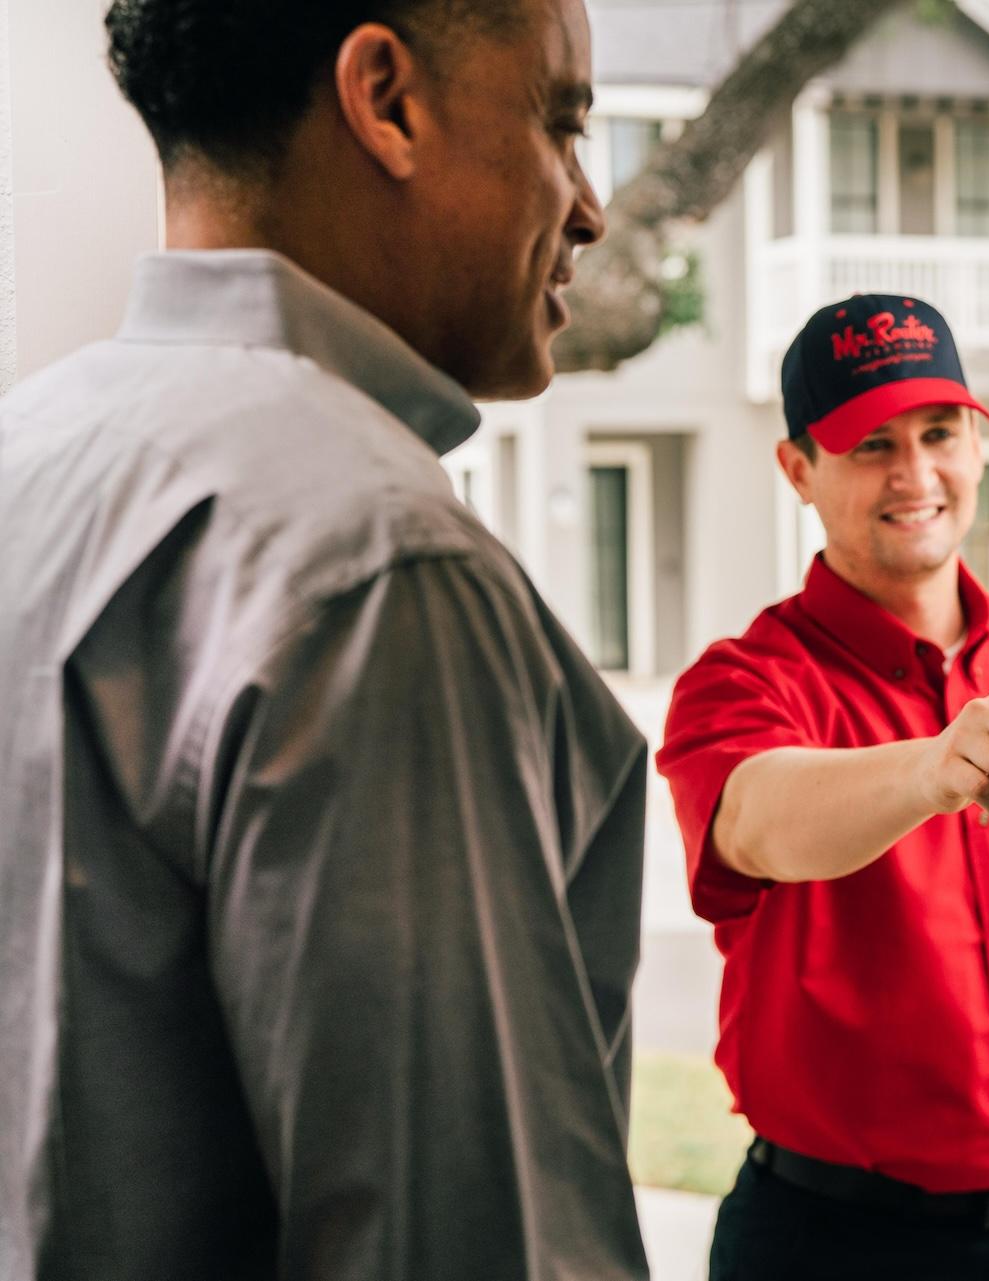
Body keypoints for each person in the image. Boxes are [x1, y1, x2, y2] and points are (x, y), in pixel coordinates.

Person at [0, 2, 649, 1278]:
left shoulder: (34, 450)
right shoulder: (377, 566)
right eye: (560, 125)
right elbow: (458, 1244)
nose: (589, 208)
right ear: (386, 101)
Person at [656, 293, 989, 1281]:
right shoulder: (741, 684)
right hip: (844, 1247)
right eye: (872, 444)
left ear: (977, 446)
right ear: (799, 471)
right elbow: (756, 819)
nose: (916, 475)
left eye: (940, 432)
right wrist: (927, 767)